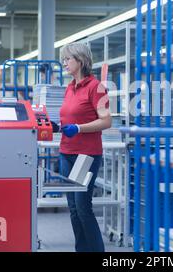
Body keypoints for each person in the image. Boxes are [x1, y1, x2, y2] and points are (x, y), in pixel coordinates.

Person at [58, 42, 112, 252]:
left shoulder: (96, 87)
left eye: (67, 59)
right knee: (72, 208)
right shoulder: (70, 87)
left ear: (80, 60)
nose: (64, 63)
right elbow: (69, 117)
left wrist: (79, 128)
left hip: (84, 155)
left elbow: (106, 121)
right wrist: (59, 127)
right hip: (66, 153)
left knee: (82, 207)